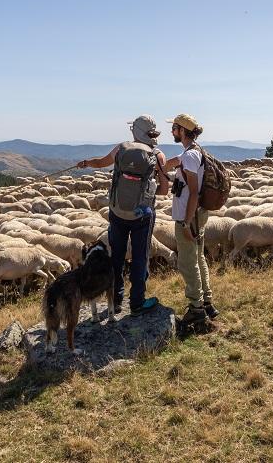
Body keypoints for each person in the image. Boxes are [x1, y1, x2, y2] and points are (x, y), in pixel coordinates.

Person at [77, 115, 169, 316]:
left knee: (117, 257)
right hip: (142, 216)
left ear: (135, 131)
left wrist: (85, 163)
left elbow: (101, 162)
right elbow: (164, 190)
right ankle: (137, 302)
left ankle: (116, 300)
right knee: (140, 257)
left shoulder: (121, 148)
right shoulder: (158, 155)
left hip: (117, 212)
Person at [164, 113, 218, 325]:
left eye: (175, 128)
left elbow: (193, 192)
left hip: (190, 216)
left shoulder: (190, 156)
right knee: (198, 258)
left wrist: (186, 222)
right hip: (196, 215)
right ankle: (207, 302)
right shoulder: (193, 152)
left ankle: (196, 309)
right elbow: (175, 162)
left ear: (183, 131)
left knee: (187, 262)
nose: (172, 131)